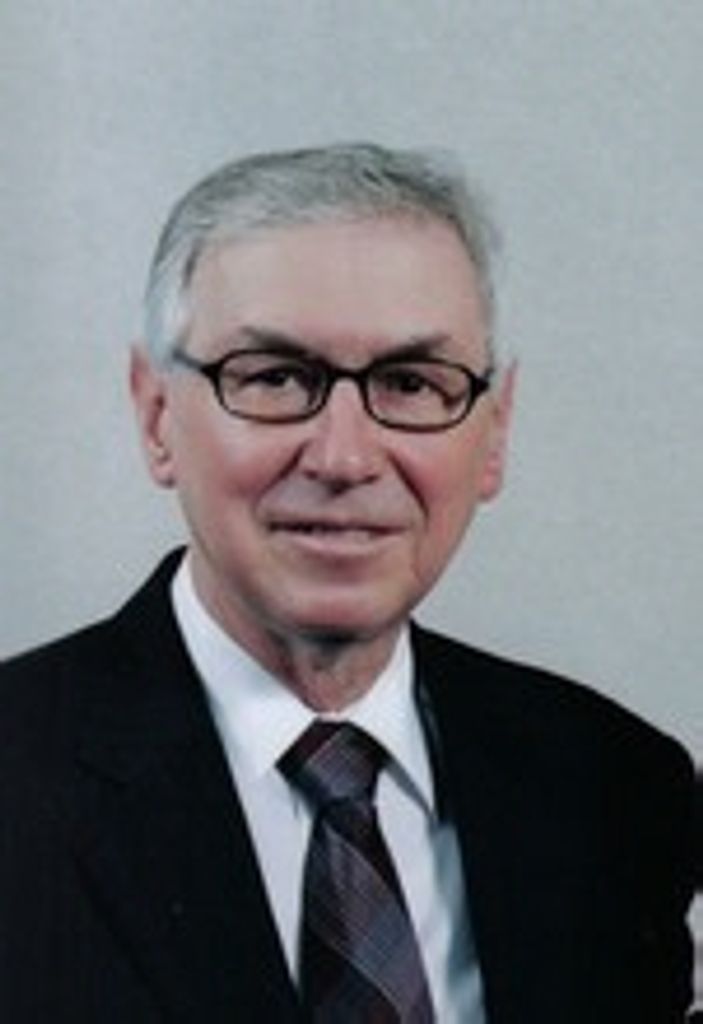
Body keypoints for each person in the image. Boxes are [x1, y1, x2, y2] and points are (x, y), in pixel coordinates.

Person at [0, 143, 695, 1023]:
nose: (343, 457)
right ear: (155, 416)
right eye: (274, 378)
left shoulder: (617, 785)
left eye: (410, 383)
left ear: (493, 434)